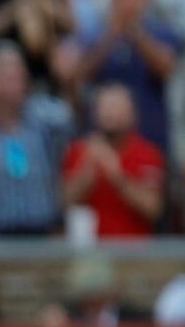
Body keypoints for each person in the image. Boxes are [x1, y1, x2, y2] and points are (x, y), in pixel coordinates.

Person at [66, 0, 178, 158]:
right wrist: (113, 36)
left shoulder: (161, 32)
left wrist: (136, 34)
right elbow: (78, 76)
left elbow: (167, 69)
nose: (127, 2)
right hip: (103, 137)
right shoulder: (95, 33)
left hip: (150, 134)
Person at [0, 41, 72, 236]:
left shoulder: (41, 116)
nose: (17, 80)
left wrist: (63, 79)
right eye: (7, 75)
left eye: (19, 73)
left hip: (40, 228)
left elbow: (68, 119)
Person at [61, 84, 166, 238]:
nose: (109, 113)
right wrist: (86, 173)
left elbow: (153, 209)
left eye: (116, 107)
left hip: (135, 252)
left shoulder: (148, 153)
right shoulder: (78, 150)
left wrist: (118, 176)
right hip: (90, 252)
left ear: (133, 114)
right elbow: (63, 203)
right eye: (104, 107)